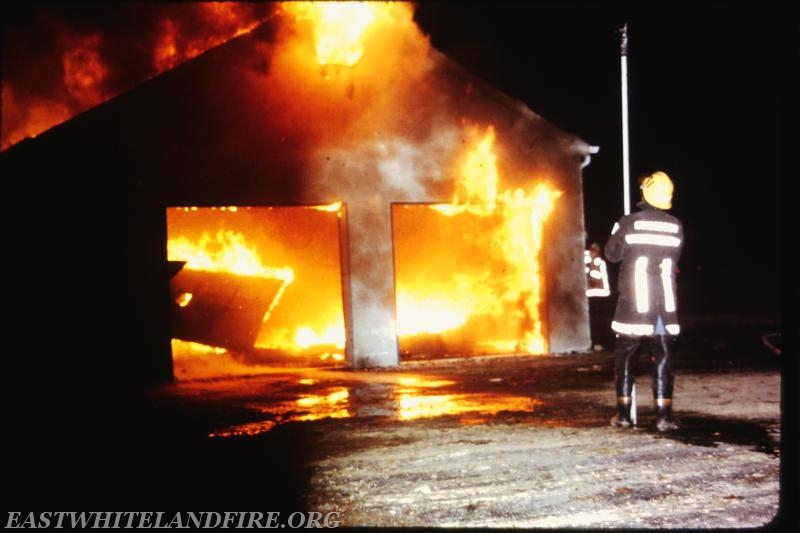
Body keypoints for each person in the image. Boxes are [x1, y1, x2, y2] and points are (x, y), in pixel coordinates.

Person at [604, 171, 684, 432]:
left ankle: (624, 414)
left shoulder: (631, 223)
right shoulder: (676, 226)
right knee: (662, 354)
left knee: (626, 354)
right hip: (663, 309)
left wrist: (618, 229)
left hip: (635, 307)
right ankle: (664, 417)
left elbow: (612, 254)